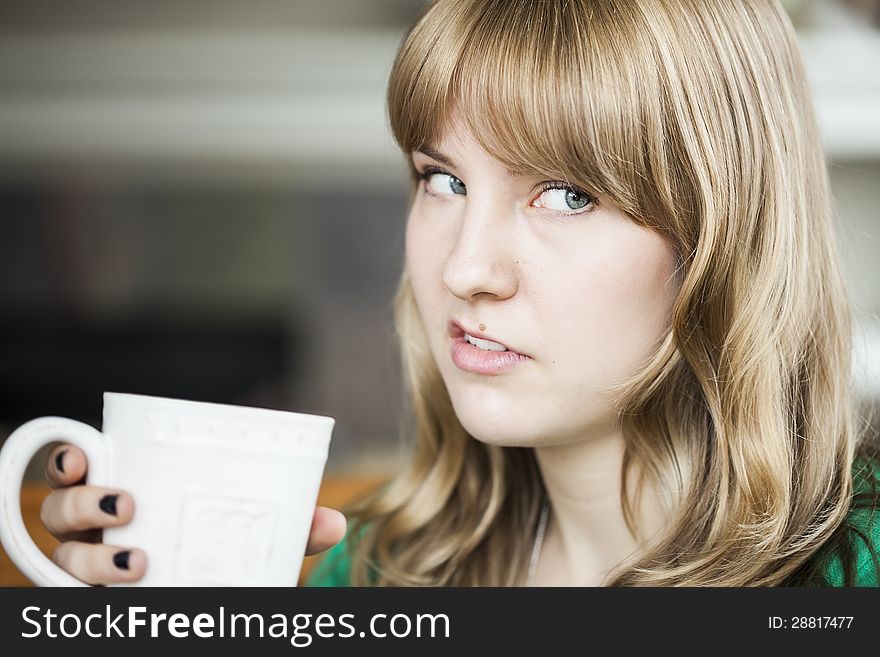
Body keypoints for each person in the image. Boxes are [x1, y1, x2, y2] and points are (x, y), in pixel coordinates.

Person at [42, 0, 879, 587]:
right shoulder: (368, 575)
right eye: (442, 180)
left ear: (724, 238)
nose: (465, 268)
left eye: (567, 194)